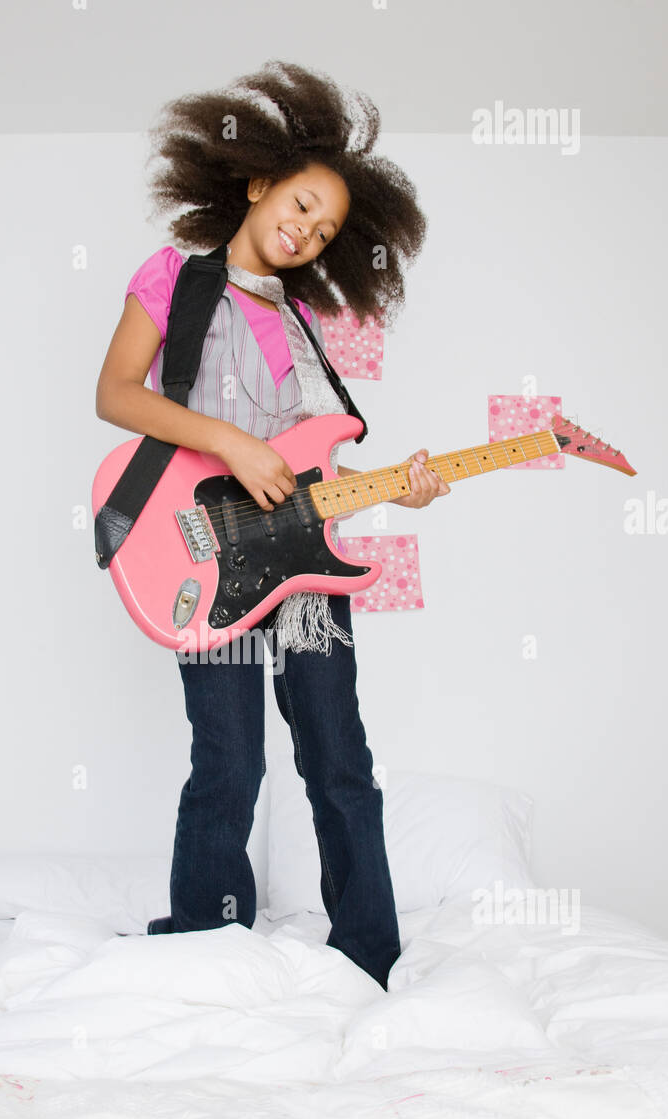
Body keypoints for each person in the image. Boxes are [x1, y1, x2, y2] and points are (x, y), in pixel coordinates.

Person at [95, 61, 450, 989]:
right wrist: (226, 442)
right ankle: (204, 947)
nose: (307, 230)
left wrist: (394, 487)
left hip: (297, 569)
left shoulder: (301, 325)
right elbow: (115, 394)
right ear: (256, 183)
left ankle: (369, 957)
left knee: (341, 758)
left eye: (326, 229)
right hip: (204, 552)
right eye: (300, 204)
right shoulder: (175, 275)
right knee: (231, 760)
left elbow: (309, 474)